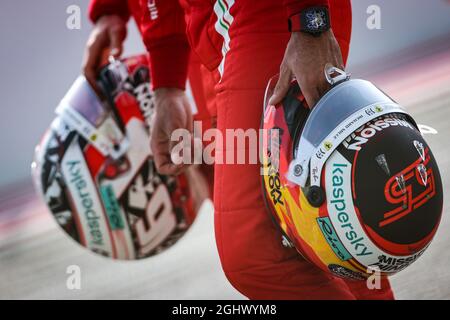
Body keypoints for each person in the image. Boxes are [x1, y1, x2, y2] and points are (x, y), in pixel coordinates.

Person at [84, 0, 394, 299]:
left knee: (255, 253)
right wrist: (165, 81)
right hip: (212, 22)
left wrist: (309, 20)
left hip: (264, 13)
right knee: (315, 224)